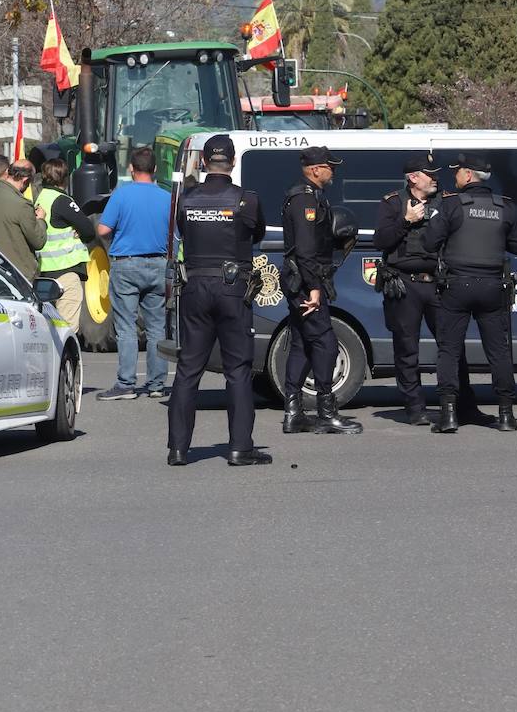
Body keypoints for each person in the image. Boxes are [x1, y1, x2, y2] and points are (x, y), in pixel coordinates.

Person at [166, 134, 269, 466]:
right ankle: (240, 448)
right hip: (232, 288)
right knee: (237, 369)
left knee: (188, 369)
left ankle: (178, 449)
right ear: (233, 162)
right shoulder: (247, 200)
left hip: (195, 286)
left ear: (203, 162)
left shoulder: (186, 199)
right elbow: (257, 234)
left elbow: (182, 231)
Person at [373, 153, 492, 427]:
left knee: (452, 347)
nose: (436, 178)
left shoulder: (448, 201)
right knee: (406, 348)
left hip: (440, 283)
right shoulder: (393, 202)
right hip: (405, 284)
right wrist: (406, 220)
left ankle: (464, 406)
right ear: (413, 178)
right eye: (430, 174)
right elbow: (381, 240)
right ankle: (415, 408)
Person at [423, 152, 517, 433]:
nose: (455, 175)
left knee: (449, 350)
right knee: (498, 351)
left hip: (457, 285)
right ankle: (506, 415)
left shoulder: (452, 205)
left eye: (457, 171)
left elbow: (429, 242)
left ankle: (448, 415)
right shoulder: (504, 206)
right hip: (493, 287)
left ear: (468, 174)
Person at [281, 145, 362, 435]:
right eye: (330, 166)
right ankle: (327, 413)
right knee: (326, 343)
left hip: (303, 280)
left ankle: (293, 414)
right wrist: (314, 288)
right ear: (316, 169)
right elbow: (305, 250)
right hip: (305, 283)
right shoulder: (305, 199)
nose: (334, 171)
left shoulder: (311, 195)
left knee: (303, 343)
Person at [95, 146, 172, 402]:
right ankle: (157, 384)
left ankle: (126, 384)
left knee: (126, 327)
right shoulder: (167, 197)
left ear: (131, 168)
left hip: (126, 265)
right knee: (157, 327)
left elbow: (103, 230)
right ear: (155, 169)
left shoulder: (121, 195)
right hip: (159, 264)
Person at [34, 157, 96, 333]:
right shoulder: (62, 200)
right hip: (65, 271)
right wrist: (79, 231)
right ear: (65, 178)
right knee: (67, 330)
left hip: (45, 272)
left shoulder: (40, 199)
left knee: (52, 329)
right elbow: (89, 230)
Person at [0, 159, 47, 280]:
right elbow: (38, 241)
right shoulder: (22, 204)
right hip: (19, 275)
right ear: (25, 180)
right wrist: (41, 220)